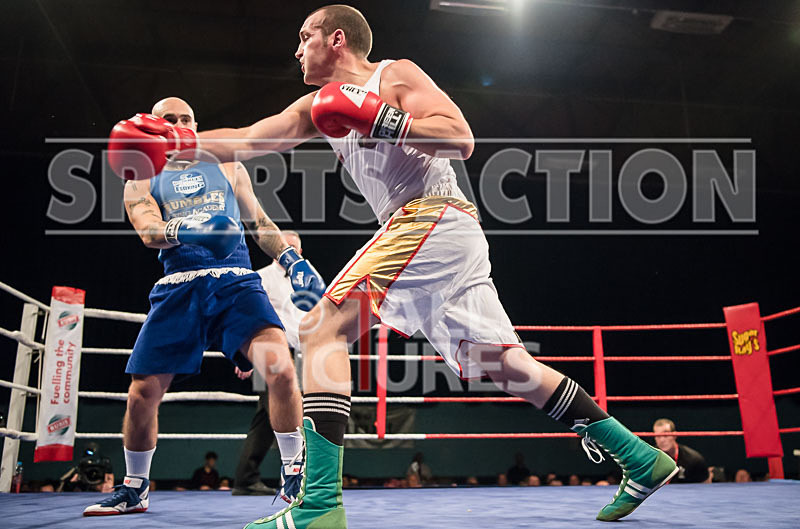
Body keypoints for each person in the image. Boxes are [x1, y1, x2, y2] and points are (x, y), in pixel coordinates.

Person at [109, 5, 678, 526]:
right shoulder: (314, 108)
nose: (297, 50)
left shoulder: (392, 75)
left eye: (305, 38)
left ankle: (319, 505)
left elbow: (460, 137)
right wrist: (178, 142)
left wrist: (379, 118)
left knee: (321, 327)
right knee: (502, 365)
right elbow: (250, 139)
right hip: (439, 235)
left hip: (431, 215)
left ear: (336, 39)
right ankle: (640, 456)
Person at [87, 97, 327, 516]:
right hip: (179, 283)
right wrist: (194, 230)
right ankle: (134, 488)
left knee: (281, 368)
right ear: (154, 128)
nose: (179, 125)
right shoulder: (141, 175)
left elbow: (258, 223)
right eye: (169, 119)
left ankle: (294, 475)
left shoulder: (227, 163)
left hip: (235, 280)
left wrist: (292, 260)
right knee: (142, 394)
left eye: (186, 119)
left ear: (196, 125)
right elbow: (148, 231)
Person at [233, 230, 313, 496]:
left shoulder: (304, 278)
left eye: (296, 248)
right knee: (291, 412)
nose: (292, 252)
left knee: (267, 419)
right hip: (270, 352)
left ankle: (246, 479)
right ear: (277, 248)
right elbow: (249, 316)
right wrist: (246, 355)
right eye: (287, 247)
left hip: (298, 352)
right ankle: (297, 476)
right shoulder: (261, 277)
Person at [653, 418, 711, 483]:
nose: (662, 440)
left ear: (674, 435)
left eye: (666, 435)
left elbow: (706, 484)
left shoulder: (693, 459)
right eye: (658, 436)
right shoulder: (649, 459)